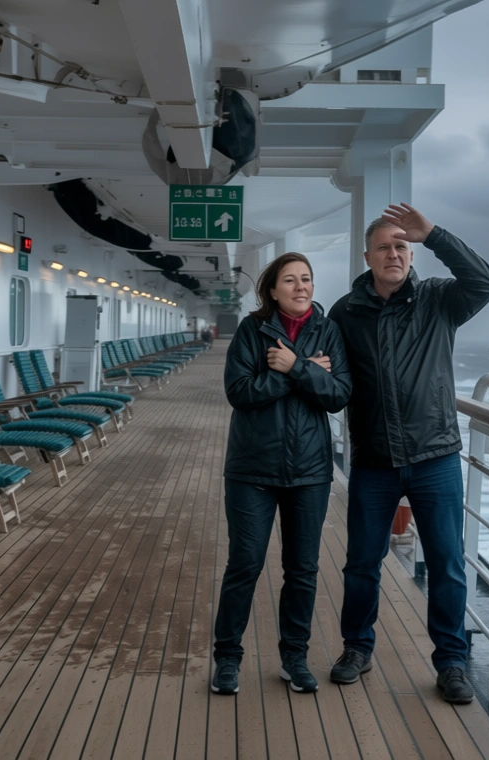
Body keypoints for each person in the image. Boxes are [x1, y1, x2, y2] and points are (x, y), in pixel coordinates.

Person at [328, 203, 489, 704]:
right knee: (362, 562)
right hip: (376, 461)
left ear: (412, 252)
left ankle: (451, 663)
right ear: (368, 257)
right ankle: (356, 648)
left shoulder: (439, 299)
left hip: (436, 457)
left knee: (447, 564)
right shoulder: (346, 312)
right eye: (384, 247)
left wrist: (436, 235)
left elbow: (486, 282)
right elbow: (337, 383)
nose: (394, 254)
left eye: (402, 246)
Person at [211, 252, 352, 696]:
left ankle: (294, 658)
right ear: (272, 290)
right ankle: (227, 659)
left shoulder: (329, 331)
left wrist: (294, 367)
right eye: (290, 280)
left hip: (309, 470)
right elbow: (239, 393)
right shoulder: (252, 332)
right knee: (244, 566)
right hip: (252, 469)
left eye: (306, 279)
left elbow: (339, 395)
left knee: (303, 570)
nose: (300, 287)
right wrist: (302, 373)